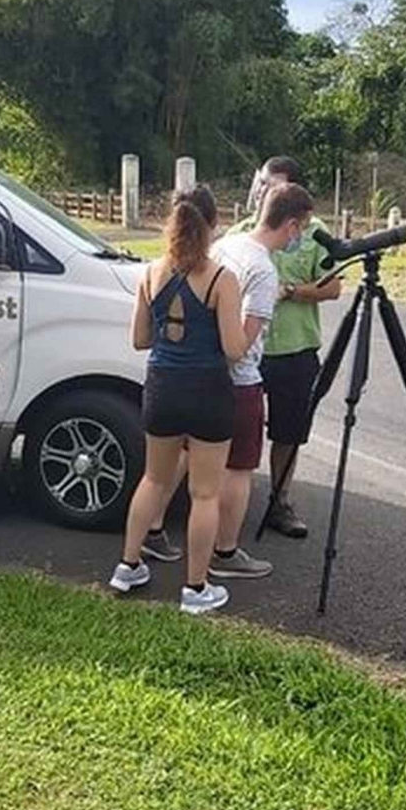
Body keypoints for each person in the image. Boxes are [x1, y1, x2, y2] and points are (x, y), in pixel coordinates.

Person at [109, 185, 249, 614]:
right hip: (208, 390)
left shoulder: (150, 273)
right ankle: (195, 588)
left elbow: (139, 339)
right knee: (204, 493)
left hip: (162, 386)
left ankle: (127, 566)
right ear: (213, 226)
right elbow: (233, 348)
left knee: (153, 480)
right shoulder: (223, 279)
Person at [206, 182, 316, 580]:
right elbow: (244, 341)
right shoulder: (264, 270)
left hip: (202, 374)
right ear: (289, 224)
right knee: (238, 469)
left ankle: (174, 537)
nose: (300, 237)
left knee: (199, 465)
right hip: (239, 381)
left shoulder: (226, 245)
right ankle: (225, 550)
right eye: (300, 228)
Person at [230, 156, 342, 537]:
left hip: (294, 349)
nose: (261, 190)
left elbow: (332, 288)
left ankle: (279, 501)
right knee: (232, 427)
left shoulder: (314, 232)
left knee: (288, 432)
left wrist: (290, 291)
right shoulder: (241, 233)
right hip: (246, 351)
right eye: (260, 182)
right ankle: (225, 503)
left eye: (272, 185)